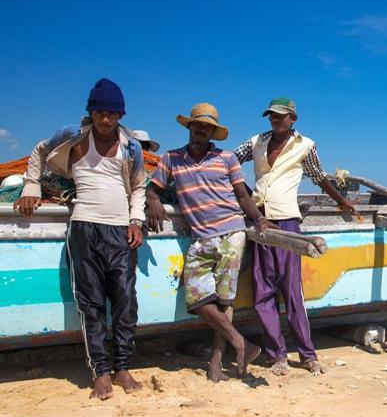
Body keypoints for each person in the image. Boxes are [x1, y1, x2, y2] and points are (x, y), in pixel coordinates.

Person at [13, 78, 146, 399]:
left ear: (121, 115)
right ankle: (101, 371)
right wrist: (31, 186)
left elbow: (139, 185)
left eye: (112, 114)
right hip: (84, 227)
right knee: (90, 303)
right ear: (91, 111)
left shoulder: (132, 146)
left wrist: (136, 219)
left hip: (120, 230)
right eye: (100, 112)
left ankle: (123, 366)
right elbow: (39, 151)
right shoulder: (72, 136)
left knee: (126, 301)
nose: (105, 119)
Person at [145, 102, 269, 381]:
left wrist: (258, 220)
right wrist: (152, 201)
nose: (201, 129)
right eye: (197, 124)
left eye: (207, 127)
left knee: (225, 300)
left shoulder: (226, 158)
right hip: (201, 237)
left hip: (231, 233)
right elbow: (153, 190)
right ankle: (242, 343)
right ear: (189, 127)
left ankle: (215, 361)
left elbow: (242, 196)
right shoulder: (171, 159)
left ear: (213, 132)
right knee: (197, 297)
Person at [233, 97, 354, 375]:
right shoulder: (256, 141)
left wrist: (341, 202)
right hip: (260, 221)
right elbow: (229, 160)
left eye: (280, 116)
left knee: (292, 291)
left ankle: (307, 354)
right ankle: (277, 356)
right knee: (263, 292)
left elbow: (319, 177)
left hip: (287, 221)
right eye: (272, 116)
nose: (275, 120)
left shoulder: (305, 146)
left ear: (292, 119)